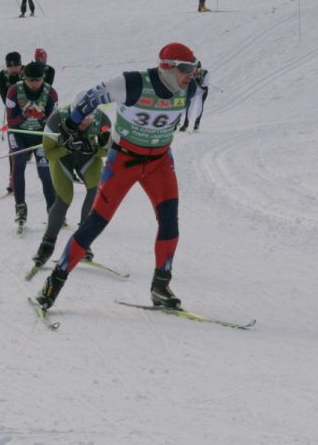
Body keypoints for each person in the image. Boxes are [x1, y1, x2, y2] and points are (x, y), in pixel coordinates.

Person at [35, 43, 201, 311]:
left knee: (170, 222)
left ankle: (160, 287)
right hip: (124, 161)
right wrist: (72, 123)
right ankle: (55, 281)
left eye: (194, 68)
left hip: (159, 162)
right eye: (186, 69)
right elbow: (90, 96)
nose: (191, 75)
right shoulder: (133, 83)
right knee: (95, 224)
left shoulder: (189, 88)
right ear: (167, 68)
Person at [30, 104, 112, 272]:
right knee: (64, 199)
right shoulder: (56, 119)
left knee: (95, 191)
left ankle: (83, 242)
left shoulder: (103, 120)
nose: (83, 122)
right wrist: (65, 147)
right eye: (79, 117)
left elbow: (108, 151)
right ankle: (47, 244)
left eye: (88, 118)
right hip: (62, 158)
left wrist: (96, 149)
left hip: (87, 158)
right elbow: (48, 153)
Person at [6, 61, 58, 228]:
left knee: (45, 172)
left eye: (38, 80)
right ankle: (20, 208)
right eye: (30, 80)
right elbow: (10, 121)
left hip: (40, 136)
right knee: (19, 163)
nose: (34, 84)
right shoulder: (14, 91)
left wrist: (43, 118)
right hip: (19, 133)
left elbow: (54, 122)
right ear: (24, 78)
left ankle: (53, 210)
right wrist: (25, 115)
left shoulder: (51, 93)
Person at [0, 52, 23, 194]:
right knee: (14, 149)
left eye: (16, 65)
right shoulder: (1, 77)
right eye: (10, 65)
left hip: (34, 114)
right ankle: (13, 180)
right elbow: (6, 100)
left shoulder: (28, 72)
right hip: (14, 117)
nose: (13, 68)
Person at [178, 63, 210, 132]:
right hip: (194, 91)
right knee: (190, 107)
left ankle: (197, 123)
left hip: (202, 91)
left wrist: (198, 81)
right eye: (194, 68)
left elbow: (205, 85)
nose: (195, 70)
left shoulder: (205, 72)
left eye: (197, 69)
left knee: (200, 106)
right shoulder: (190, 72)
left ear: (200, 68)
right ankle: (185, 124)